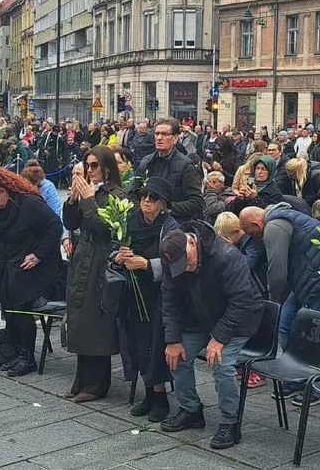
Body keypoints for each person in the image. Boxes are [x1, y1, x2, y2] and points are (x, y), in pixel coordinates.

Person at [159, 227, 264, 449]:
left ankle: (230, 421)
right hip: (202, 317)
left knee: (220, 363)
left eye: (188, 263)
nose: (186, 269)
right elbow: (169, 300)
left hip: (238, 320)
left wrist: (219, 338)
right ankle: (191, 409)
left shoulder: (227, 256)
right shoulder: (171, 256)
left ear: (192, 243)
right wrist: (173, 339)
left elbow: (242, 302)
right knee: (176, 356)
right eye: (180, 266)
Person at [0, 163, 64, 377]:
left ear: (3, 192)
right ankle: (17, 351)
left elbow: (55, 226)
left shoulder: (30, 203)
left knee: (21, 305)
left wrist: (38, 255)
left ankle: (28, 357)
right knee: (9, 305)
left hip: (36, 265)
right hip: (12, 262)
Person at [62, 146, 126, 402]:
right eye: (87, 165)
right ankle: (81, 378)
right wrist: (73, 200)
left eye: (94, 165)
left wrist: (88, 200)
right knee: (79, 316)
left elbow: (106, 229)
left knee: (95, 321)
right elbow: (71, 223)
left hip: (101, 259)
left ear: (107, 168)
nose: (89, 170)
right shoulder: (89, 190)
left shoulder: (117, 194)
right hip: (82, 257)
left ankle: (97, 383)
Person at [117, 176, 179, 421]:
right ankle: (148, 393)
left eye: (153, 198)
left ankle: (160, 396)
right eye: (143, 196)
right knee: (138, 342)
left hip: (159, 294)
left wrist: (147, 264)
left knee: (156, 342)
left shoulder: (170, 227)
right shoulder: (131, 220)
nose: (146, 201)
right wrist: (119, 257)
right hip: (134, 292)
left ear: (162, 203)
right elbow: (114, 248)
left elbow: (176, 263)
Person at [238, 205, 320, 346]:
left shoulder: (273, 226)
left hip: (316, 281)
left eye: (252, 234)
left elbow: (277, 272)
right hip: (313, 275)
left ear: (256, 224)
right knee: (284, 324)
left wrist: (274, 301)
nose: (256, 237)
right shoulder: (286, 214)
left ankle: (305, 359)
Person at [137, 117, 204, 221]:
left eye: (164, 134)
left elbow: (197, 202)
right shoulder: (146, 162)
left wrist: (166, 208)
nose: (159, 138)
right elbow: (134, 192)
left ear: (175, 138)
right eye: (157, 134)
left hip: (174, 223)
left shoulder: (185, 166)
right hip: (147, 222)